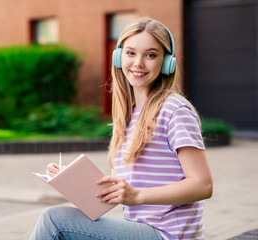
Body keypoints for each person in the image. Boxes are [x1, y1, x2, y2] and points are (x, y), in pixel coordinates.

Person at [30, 17, 213, 240]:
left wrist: (136, 195)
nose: (138, 63)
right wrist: (72, 182)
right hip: (141, 230)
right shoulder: (129, 115)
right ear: (118, 57)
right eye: (131, 53)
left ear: (167, 63)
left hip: (168, 235)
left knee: (53, 220)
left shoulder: (175, 110)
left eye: (151, 55)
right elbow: (121, 191)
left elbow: (203, 185)